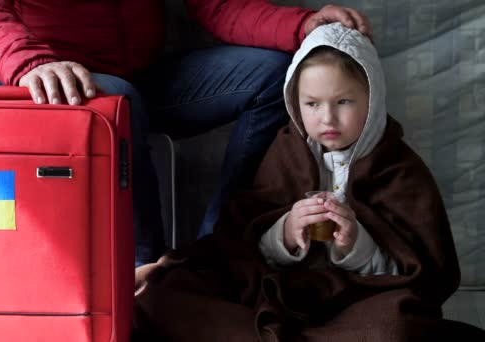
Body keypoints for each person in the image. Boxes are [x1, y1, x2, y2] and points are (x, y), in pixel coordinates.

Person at [0, 0, 373, 267]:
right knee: (119, 102)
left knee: (273, 75)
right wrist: (28, 62)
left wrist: (303, 26)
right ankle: (142, 271)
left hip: (139, 79)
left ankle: (219, 247)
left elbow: (216, 5)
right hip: (45, 80)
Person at [133, 22, 485, 340]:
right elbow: (240, 242)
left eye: (344, 101)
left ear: (373, 99)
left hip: (358, 305)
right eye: (312, 104)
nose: (327, 118)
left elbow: (421, 274)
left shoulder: (398, 167)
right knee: (164, 299)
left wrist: (355, 245)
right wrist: (285, 233)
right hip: (280, 293)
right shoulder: (287, 150)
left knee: (398, 327)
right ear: (295, 102)